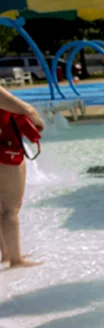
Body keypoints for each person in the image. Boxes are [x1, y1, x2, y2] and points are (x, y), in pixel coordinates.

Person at [0, 87, 44, 268]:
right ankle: (16, 260)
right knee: (10, 209)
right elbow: (27, 110)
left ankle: (7, 254)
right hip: (5, 153)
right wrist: (37, 121)